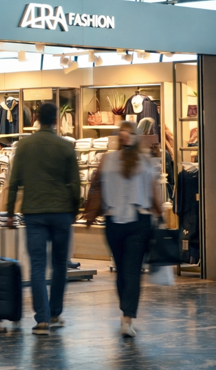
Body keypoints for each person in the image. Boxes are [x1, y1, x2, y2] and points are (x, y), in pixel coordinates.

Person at [3, 102, 81, 335]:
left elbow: (13, 182)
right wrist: (74, 210)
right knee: (59, 265)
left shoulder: (25, 145)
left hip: (34, 213)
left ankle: (42, 319)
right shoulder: (65, 146)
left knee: (37, 266)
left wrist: (8, 214)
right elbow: (75, 184)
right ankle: (56, 312)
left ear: (36, 118)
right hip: (61, 213)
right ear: (56, 120)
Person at [84, 120, 162, 338]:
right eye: (123, 133)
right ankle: (125, 310)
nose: (126, 137)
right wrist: (91, 210)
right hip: (113, 222)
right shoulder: (107, 160)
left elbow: (153, 192)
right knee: (122, 271)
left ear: (135, 136)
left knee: (132, 271)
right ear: (119, 137)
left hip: (139, 222)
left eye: (130, 133)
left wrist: (160, 215)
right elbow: (95, 184)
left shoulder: (145, 161)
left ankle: (127, 318)